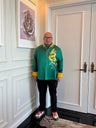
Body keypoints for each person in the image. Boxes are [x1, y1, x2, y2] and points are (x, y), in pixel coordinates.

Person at [32, 32, 63, 120]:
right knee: (42, 94)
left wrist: (60, 74)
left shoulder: (57, 50)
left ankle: (54, 111)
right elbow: (35, 62)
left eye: (49, 37)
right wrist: (35, 73)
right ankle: (41, 109)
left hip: (53, 76)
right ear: (43, 38)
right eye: (46, 37)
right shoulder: (38, 49)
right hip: (41, 76)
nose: (47, 39)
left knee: (53, 94)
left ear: (52, 38)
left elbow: (61, 62)